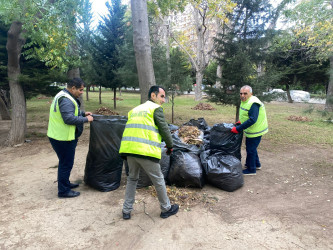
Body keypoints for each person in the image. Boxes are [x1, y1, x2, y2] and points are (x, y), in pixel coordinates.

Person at [119, 85, 179, 219]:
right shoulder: (155, 109)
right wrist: (170, 146)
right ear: (153, 95)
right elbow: (164, 129)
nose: (164, 100)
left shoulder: (134, 110)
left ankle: (126, 211)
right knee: (158, 180)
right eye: (162, 96)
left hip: (129, 150)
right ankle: (166, 208)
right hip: (145, 151)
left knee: (132, 179)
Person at [47, 78, 93, 198]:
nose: (82, 92)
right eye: (81, 90)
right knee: (66, 164)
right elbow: (68, 119)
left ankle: (65, 184)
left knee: (65, 162)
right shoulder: (66, 99)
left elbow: (71, 111)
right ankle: (63, 191)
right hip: (62, 138)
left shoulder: (64, 95)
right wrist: (86, 119)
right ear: (73, 88)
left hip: (59, 136)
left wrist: (83, 113)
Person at [231, 85, 268, 175]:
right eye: (241, 93)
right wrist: (241, 121)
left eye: (245, 93)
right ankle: (256, 164)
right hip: (252, 129)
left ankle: (251, 169)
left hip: (256, 130)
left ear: (251, 93)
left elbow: (252, 119)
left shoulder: (253, 103)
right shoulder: (246, 101)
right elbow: (247, 114)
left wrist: (238, 128)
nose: (242, 95)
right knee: (252, 148)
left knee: (250, 149)